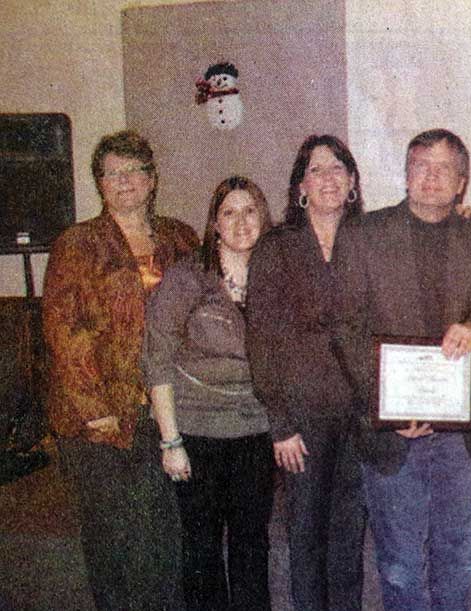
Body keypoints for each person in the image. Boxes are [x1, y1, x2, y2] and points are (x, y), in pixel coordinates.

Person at [330, 128, 471, 611]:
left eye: (444, 167)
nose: (432, 176)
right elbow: (345, 328)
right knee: (401, 562)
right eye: (421, 165)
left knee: (458, 557)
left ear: (462, 181)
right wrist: (387, 402)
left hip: (458, 433)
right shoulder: (363, 233)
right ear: (406, 174)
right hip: (392, 431)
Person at [42, 130, 198, 610]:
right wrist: (96, 410)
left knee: (165, 537)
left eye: (134, 171)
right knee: (115, 540)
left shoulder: (180, 238)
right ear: (99, 184)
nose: (124, 181)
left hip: (167, 411)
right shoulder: (77, 244)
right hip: (104, 421)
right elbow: (65, 333)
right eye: (112, 173)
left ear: (152, 180)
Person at [245, 135, 367, 610]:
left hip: (357, 417)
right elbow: (262, 339)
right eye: (316, 170)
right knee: (306, 535)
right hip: (302, 420)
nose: (328, 178)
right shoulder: (277, 247)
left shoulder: (369, 240)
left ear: (352, 180)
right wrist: (281, 423)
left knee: (348, 538)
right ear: (300, 186)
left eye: (337, 168)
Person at [143, 175, 275, 610]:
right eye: (229, 212)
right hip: (196, 432)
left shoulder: (277, 275)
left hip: (255, 432)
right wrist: (170, 441)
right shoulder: (188, 277)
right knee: (201, 550)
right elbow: (156, 356)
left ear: (264, 217)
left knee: (252, 547)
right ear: (214, 224)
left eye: (250, 210)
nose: (241, 222)